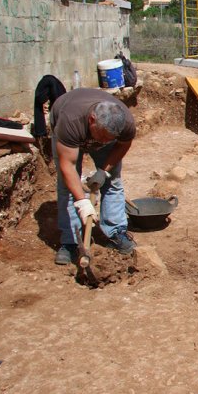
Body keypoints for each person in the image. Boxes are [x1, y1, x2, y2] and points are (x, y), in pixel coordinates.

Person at [50, 88, 136, 265]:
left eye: (109, 139)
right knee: (67, 187)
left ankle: (115, 232)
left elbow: (121, 146)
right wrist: (83, 203)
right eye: (103, 137)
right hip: (69, 134)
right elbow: (68, 166)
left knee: (112, 181)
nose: (104, 142)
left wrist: (104, 171)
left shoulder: (125, 123)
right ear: (92, 120)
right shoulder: (70, 122)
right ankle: (71, 241)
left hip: (92, 129)